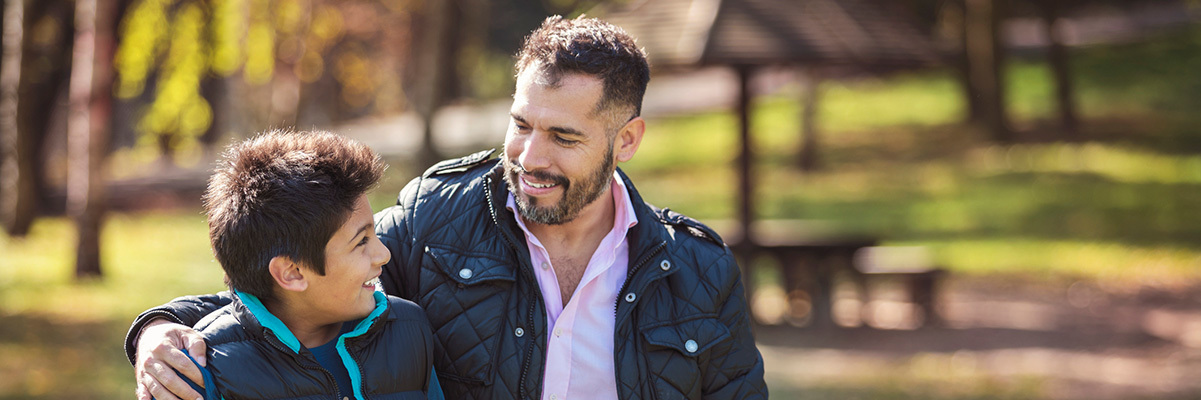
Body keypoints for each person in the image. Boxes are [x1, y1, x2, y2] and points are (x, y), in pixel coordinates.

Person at [127, 16, 766, 400]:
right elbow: (296, 280)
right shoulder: (442, 218)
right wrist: (158, 326)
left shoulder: (699, 272)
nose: (528, 156)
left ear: (626, 140)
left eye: (564, 138)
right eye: (521, 125)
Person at [148, 130, 443, 400]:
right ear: (291, 273)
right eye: (361, 242)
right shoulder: (200, 371)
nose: (383, 255)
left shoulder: (407, 329)